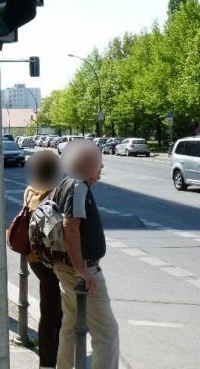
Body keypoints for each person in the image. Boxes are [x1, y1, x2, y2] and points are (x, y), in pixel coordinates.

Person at [53, 139, 118, 369]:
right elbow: (70, 227)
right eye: (99, 164)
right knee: (107, 332)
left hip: (65, 266)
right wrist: (82, 270)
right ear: (87, 165)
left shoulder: (64, 183)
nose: (101, 169)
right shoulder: (78, 187)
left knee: (71, 326)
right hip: (82, 270)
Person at [24, 151, 63, 369]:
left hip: (33, 256)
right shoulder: (54, 193)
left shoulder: (30, 190)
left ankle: (51, 358)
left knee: (52, 310)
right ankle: (48, 362)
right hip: (49, 258)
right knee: (52, 312)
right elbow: (54, 231)